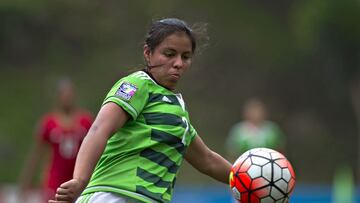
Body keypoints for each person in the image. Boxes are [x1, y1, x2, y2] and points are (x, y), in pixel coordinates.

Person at [49, 18, 232, 203]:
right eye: (169, 54)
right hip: (116, 195)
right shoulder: (137, 84)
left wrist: (246, 180)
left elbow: (207, 160)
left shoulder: (177, 111)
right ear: (148, 53)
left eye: (185, 57)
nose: (178, 63)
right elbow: (99, 129)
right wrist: (80, 180)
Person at [19, 79, 93, 202]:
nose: (67, 98)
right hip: (54, 180)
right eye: (64, 95)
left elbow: (94, 150)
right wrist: (26, 183)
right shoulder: (49, 122)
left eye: (69, 95)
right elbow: (37, 154)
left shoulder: (85, 120)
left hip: (78, 179)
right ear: (58, 97)